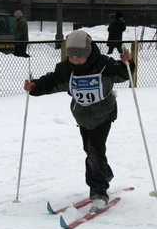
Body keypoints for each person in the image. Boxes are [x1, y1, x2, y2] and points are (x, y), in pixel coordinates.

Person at [23, 30, 135, 212]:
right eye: (71, 57)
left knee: (95, 150)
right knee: (89, 150)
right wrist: (35, 86)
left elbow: (124, 74)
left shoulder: (105, 64)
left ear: (89, 52)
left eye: (79, 57)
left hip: (103, 115)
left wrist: (128, 61)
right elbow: (51, 81)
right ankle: (105, 174)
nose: (75, 60)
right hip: (82, 116)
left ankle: (98, 192)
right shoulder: (66, 69)